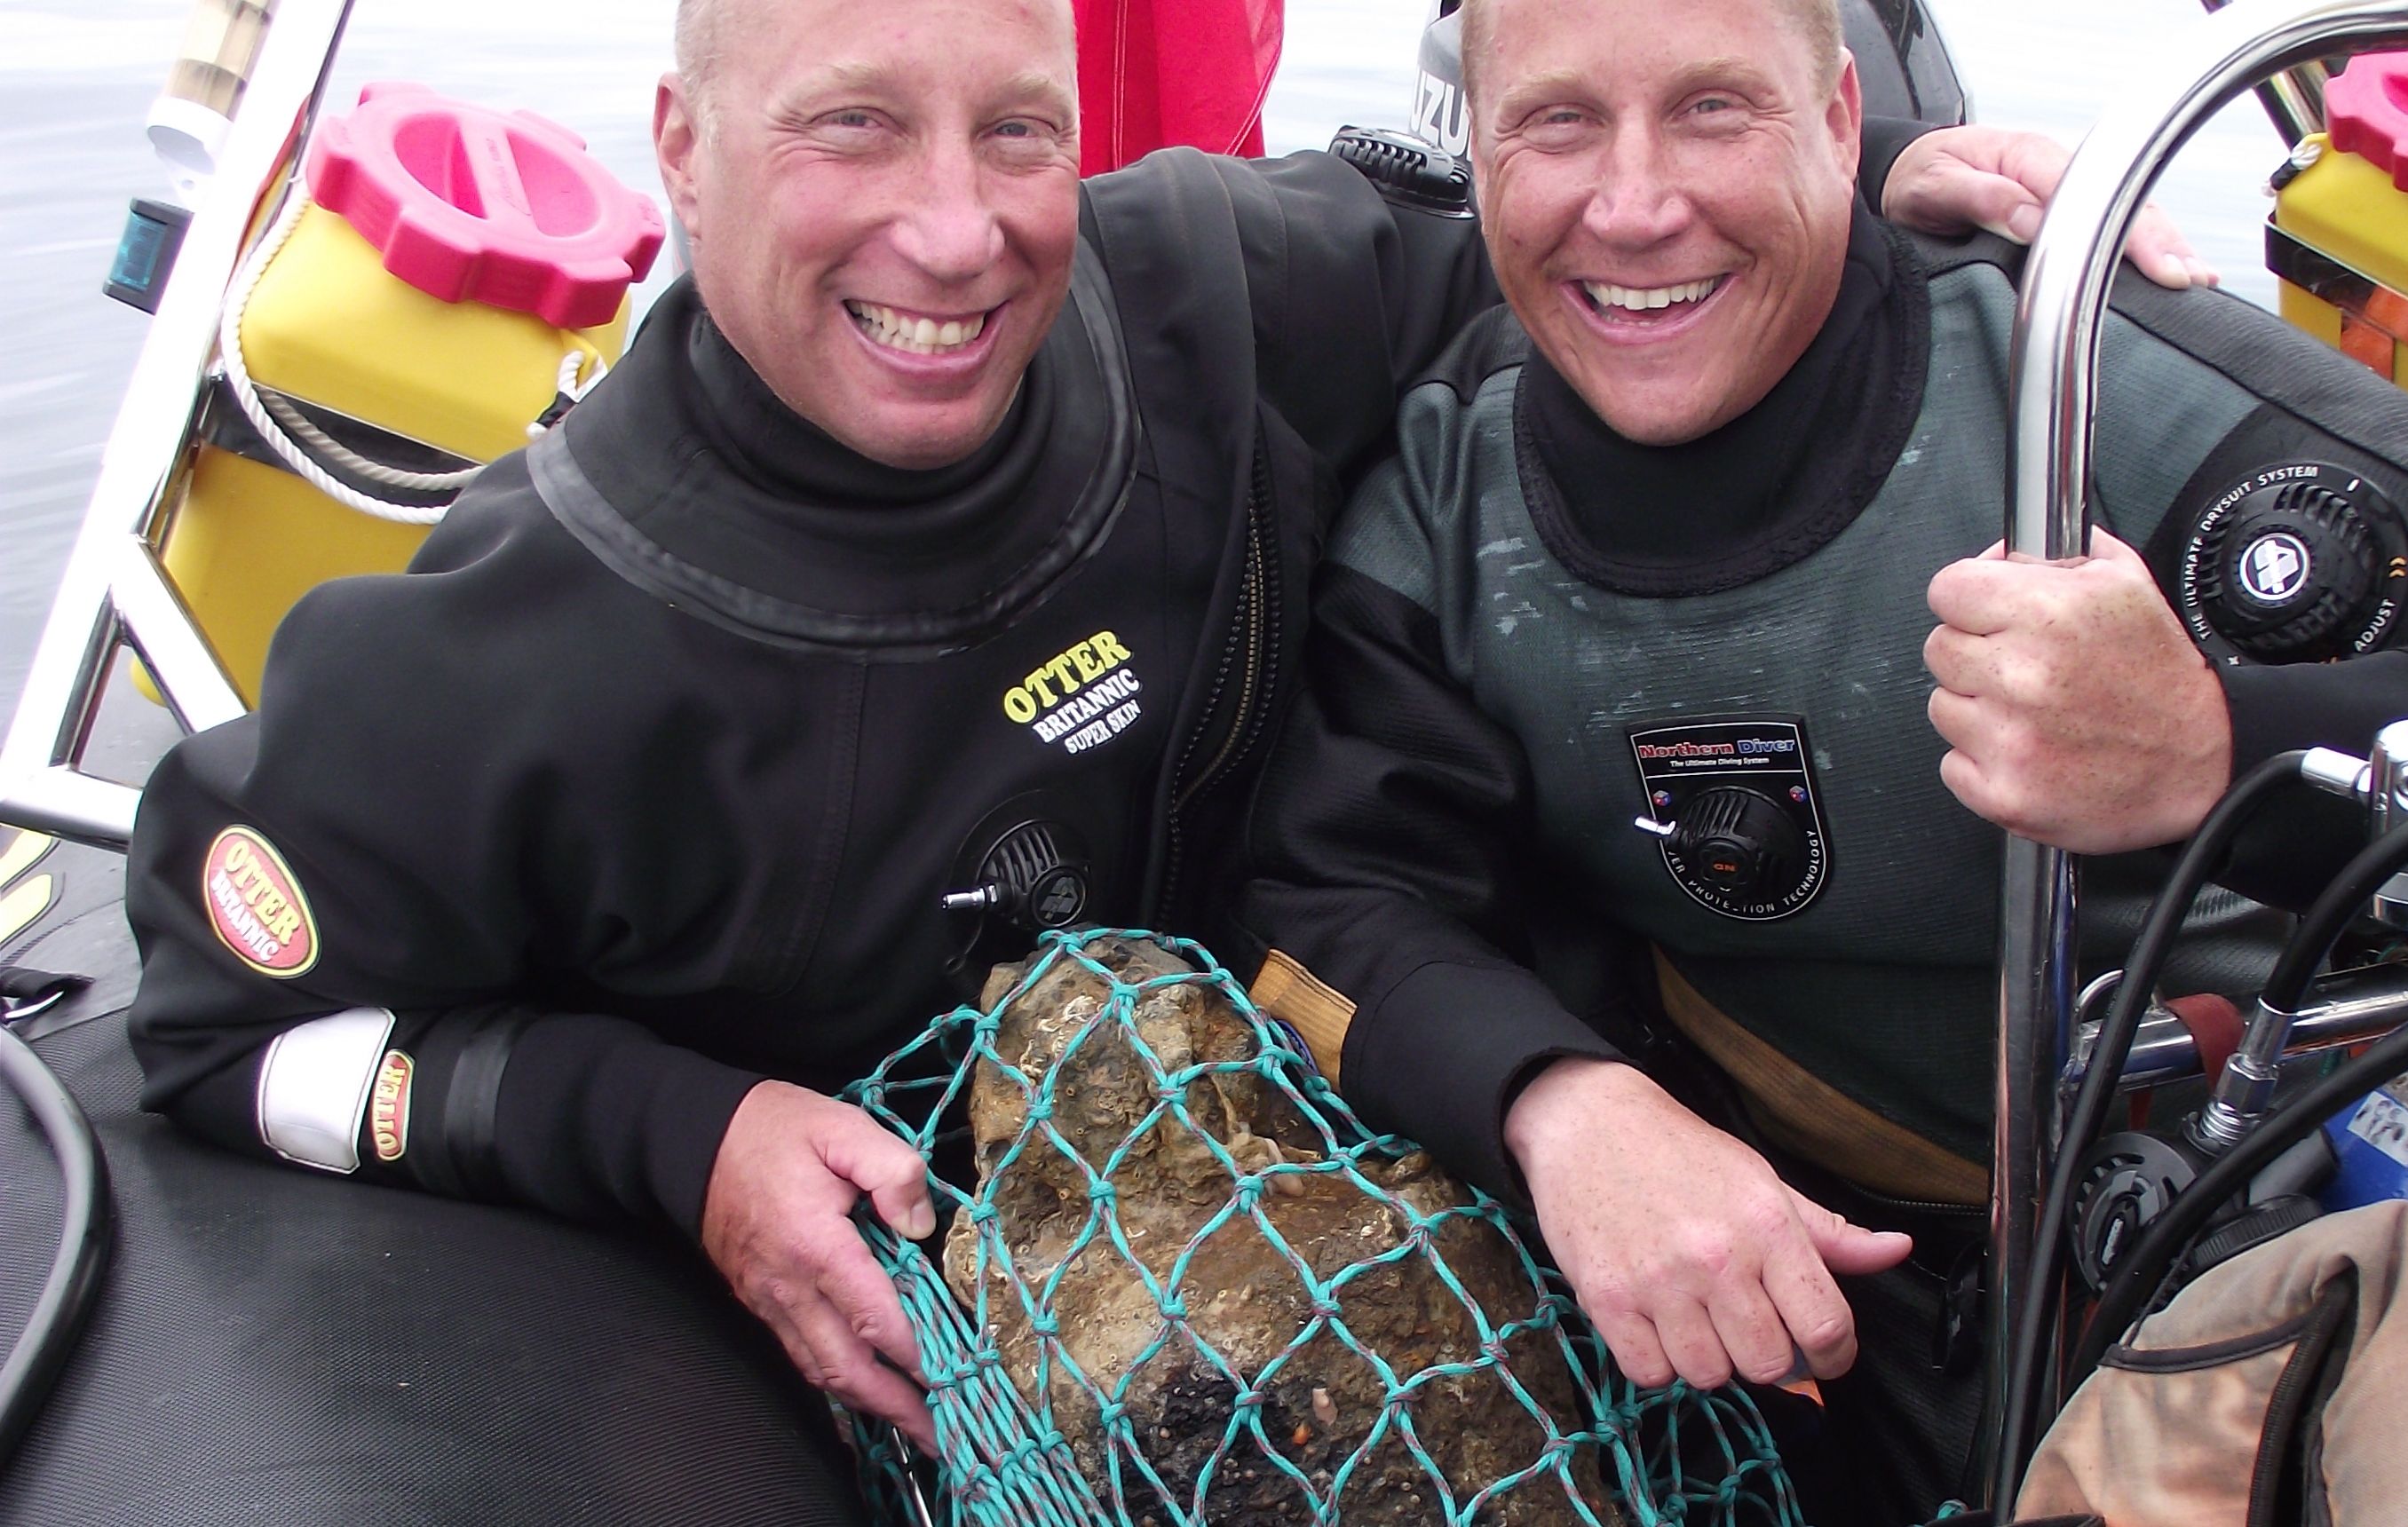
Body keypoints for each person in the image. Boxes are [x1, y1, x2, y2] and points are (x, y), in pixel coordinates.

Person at [116, 0, 2160, 1460]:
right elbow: (227, 1035)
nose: (955, 230)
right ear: (680, 146)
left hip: (1354, 1135)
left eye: (1015, 131)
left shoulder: (1210, 292)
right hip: (921, 1347)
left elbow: (1578, 251)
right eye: (852, 128)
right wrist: (679, 1134)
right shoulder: (506, 649)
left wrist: (1880, 183)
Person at [1231, 0, 2408, 1518]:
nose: (1636, 206)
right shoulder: (1450, 503)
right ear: (1480, 146)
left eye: (1717, 109)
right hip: (1809, 1283)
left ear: (1845, 124)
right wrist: (1561, 1104)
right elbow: (1325, 901)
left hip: (2269, 1199)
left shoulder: (2095, 382)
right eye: (1559, 124)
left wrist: (2224, 752)